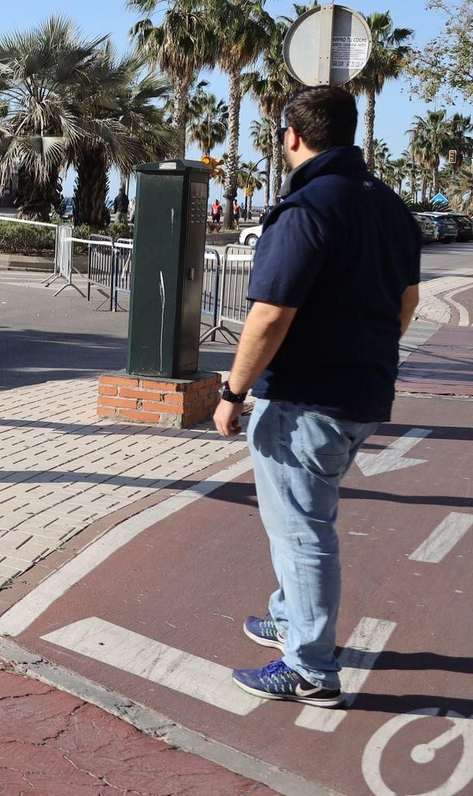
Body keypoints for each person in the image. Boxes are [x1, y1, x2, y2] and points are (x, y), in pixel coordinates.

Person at [213, 86, 420, 708]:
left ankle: (309, 669)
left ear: (293, 137)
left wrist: (232, 390)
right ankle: (288, 616)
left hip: (306, 398)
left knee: (302, 530)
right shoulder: (388, 206)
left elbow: (270, 314)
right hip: (362, 391)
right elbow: (406, 303)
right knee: (308, 515)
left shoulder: (306, 207)